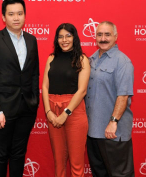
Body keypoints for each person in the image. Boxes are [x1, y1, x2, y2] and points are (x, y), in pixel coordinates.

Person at [0, 0, 39, 177]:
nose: (16, 18)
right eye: (11, 14)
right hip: (3, 110)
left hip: (27, 108)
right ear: (3, 17)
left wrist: (35, 101)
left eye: (20, 13)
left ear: (25, 15)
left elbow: (34, 74)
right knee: (1, 154)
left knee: (19, 154)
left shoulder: (32, 40)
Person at [85, 21, 135, 177]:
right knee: (99, 173)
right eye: (99, 34)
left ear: (115, 37)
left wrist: (113, 122)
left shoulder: (123, 62)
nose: (103, 38)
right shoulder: (90, 60)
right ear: (95, 37)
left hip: (113, 132)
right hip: (92, 131)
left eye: (107, 34)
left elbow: (123, 95)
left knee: (119, 174)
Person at [42, 23, 90, 177]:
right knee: (59, 162)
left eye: (68, 36)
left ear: (74, 37)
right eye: (61, 36)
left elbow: (82, 90)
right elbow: (44, 86)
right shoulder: (51, 58)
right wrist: (48, 111)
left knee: (76, 164)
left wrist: (65, 113)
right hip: (53, 111)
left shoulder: (82, 59)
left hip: (74, 111)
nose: (64, 40)